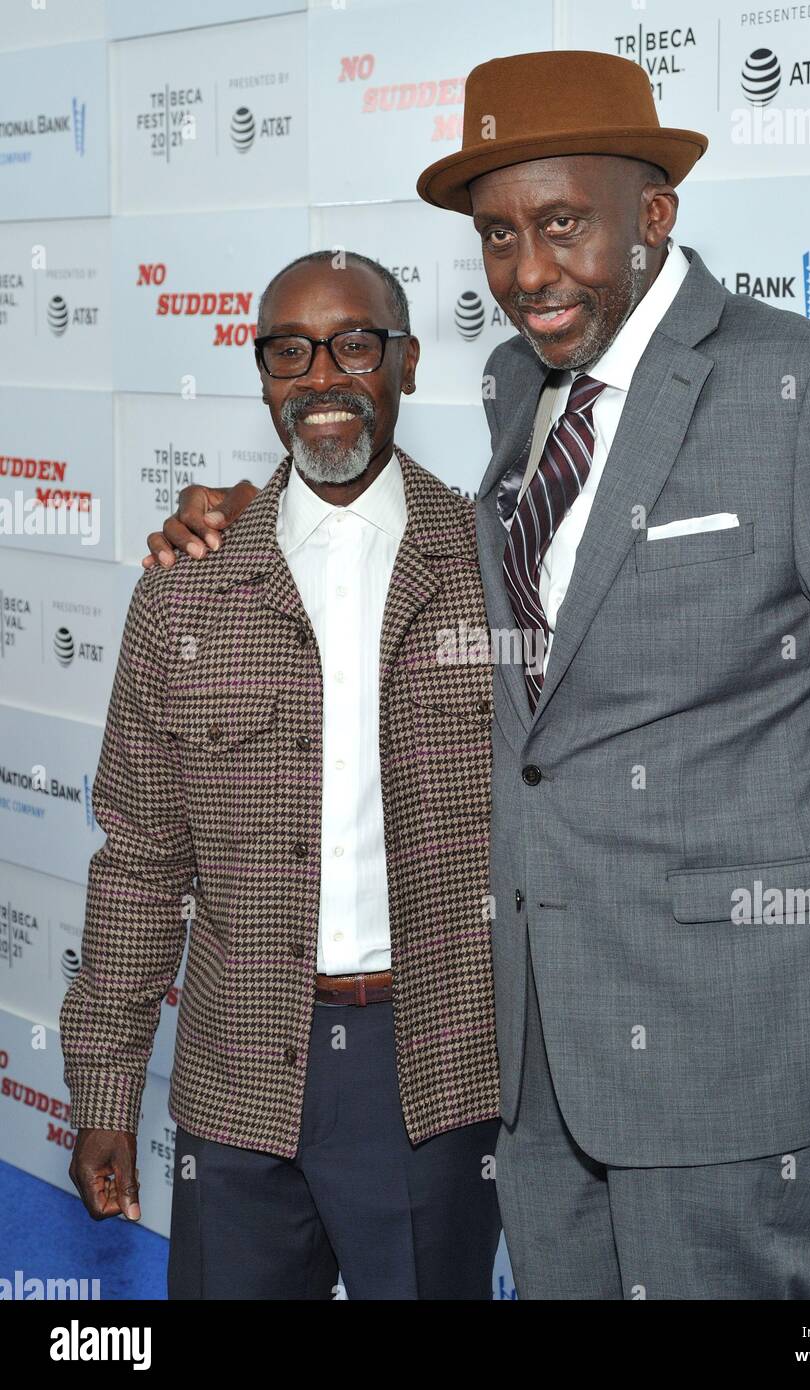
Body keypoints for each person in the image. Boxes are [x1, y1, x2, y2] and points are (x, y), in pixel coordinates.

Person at [141, 45, 810, 1297]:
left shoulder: (804, 389)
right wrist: (256, 520)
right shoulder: (522, 395)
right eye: (497, 235)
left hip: (741, 1055)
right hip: (537, 1065)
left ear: (653, 214)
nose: (525, 272)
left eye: (562, 224)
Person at [60, 251, 502, 1300]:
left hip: (433, 1070)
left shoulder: (496, 569)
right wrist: (106, 1089)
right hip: (235, 1071)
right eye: (289, 352)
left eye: (354, 344)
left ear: (406, 362)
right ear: (262, 375)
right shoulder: (186, 590)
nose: (321, 377)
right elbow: (139, 862)